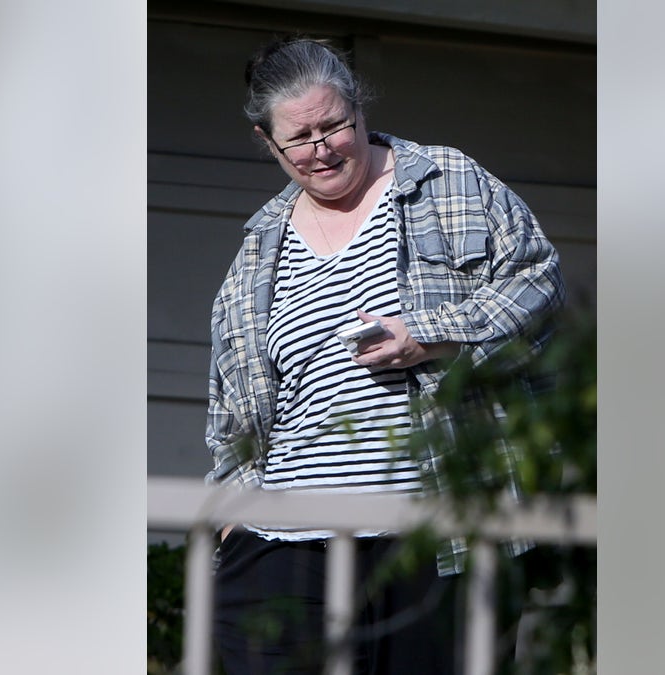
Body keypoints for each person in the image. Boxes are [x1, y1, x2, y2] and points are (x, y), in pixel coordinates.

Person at [205, 36, 566, 675]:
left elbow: (537, 285)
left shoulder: (448, 182)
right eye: (300, 138)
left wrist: (434, 335)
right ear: (268, 142)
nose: (322, 150)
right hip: (285, 546)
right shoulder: (258, 249)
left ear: (360, 109)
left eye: (335, 126)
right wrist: (234, 517)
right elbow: (231, 413)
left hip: (435, 535)